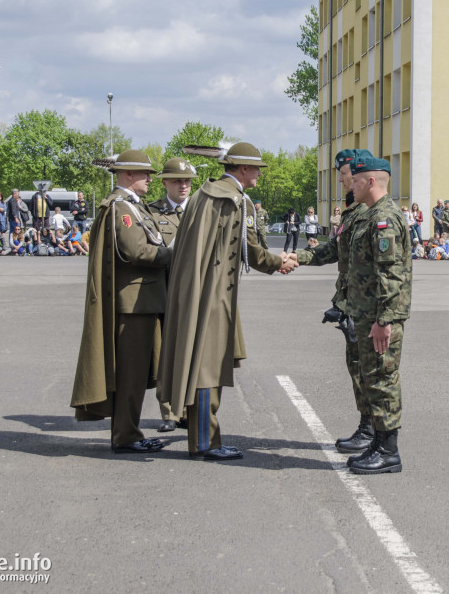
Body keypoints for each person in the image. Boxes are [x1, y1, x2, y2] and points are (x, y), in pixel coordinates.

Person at [157, 142, 295, 462]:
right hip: (214, 294)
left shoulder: (204, 194)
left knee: (200, 361)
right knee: (207, 367)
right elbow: (248, 249)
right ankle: (206, 442)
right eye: (256, 167)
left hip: (196, 289)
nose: (259, 173)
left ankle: (201, 436)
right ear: (243, 169)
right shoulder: (234, 200)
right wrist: (279, 262)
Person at [70, 150, 172, 455]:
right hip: (134, 304)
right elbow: (137, 251)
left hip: (143, 301)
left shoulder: (131, 205)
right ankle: (126, 435)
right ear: (128, 174)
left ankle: (128, 432)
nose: (150, 179)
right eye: (145, 174)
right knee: (132, 374)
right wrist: (174, 253)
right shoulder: (122, 208)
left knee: (139, 374)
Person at [295, 149, 376, 453]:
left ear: (358, 174)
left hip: (363, 307)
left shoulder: (369, 211)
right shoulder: (352, 210)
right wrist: (297, 257)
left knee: (367, 371)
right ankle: (368, 427)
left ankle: (371, 431)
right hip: (350, 304)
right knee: (357, 369)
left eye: (344, 174)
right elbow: (334, 252)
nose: (341, 179)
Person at [343, 154, 411, 474]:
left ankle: (388, 450)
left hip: (380, 317)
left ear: (370, 181)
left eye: (355, 180)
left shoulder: (385, 218)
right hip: (369, 314)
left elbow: (391, 273)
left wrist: (384, 320)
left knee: (383, 379)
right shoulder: (372, 215)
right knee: (373, 378)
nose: (349, 184)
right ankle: (379, 441)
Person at [146, 156, 198, 432]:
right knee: (165, 354)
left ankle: (190, 410)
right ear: (164, 182)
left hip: (195, 294)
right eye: (177, 180)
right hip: (165, 292)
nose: (183, 186)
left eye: (187, 181)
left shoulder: (201, 210)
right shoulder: (153, 212)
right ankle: (169, 412)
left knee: (193, 354)